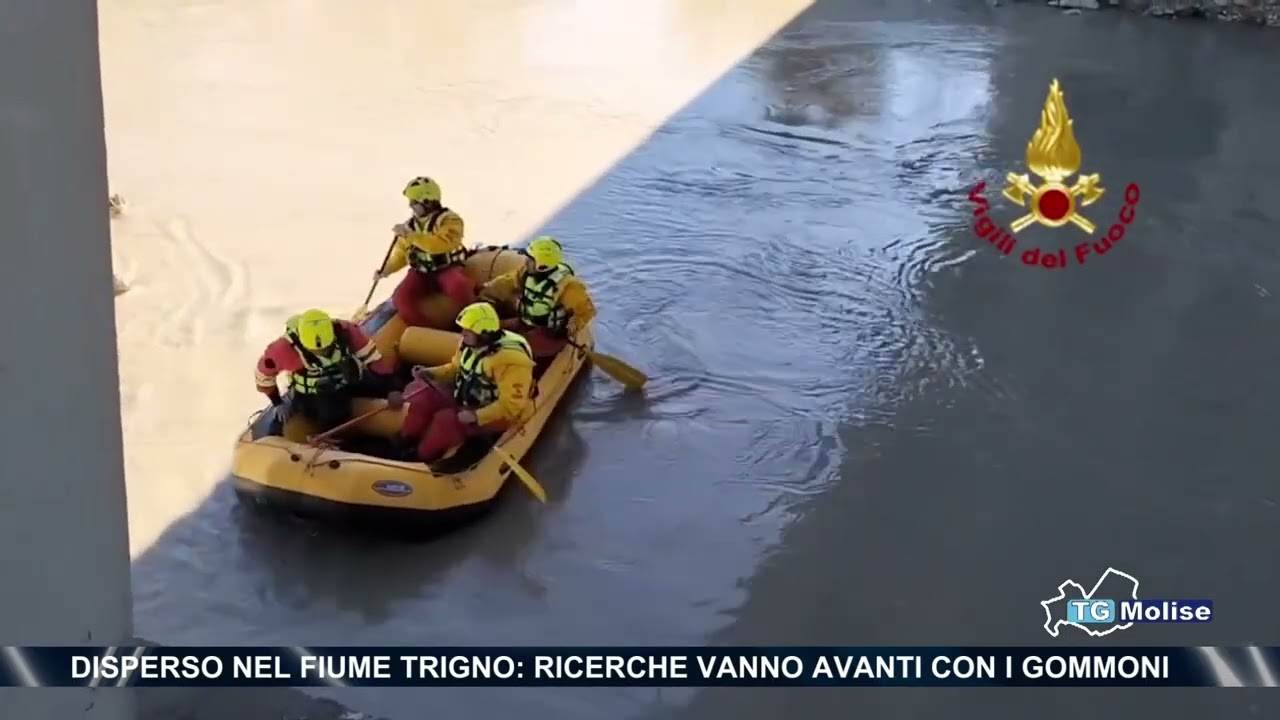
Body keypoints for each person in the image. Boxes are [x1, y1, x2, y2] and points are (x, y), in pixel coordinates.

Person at [386, 302, 534, 464]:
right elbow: (455, 368)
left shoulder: (511, 361)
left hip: (494, 413)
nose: (462, 334)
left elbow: (511, 406)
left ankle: (419, 458)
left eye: (467, 331)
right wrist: (431, 373)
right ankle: (406, 440)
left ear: (483, 334)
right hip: (466, 398)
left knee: (446, 421)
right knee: (424, 397)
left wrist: (476, 416)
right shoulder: (468, 345)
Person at [254, 309, 396, 431]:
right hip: (315, 394)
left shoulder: (347, 332)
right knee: (333, 411)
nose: (322, 352)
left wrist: (390, 389)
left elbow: (373, 359)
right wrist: (277, 402)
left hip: (348, 378)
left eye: (326, 348)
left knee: (377, 385)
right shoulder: (282, 351)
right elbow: (263, 377)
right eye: (316, 350)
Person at [373, 176, 475, 328]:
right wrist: (386, 270)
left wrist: (411, 236)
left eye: (414, 202)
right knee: (401, 298)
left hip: (447, 268)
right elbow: (401, 255)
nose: (411, 206)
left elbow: (438, 245)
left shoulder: (450, 220)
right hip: (421, 272)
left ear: (427, 202)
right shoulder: (410, 226)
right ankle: (426, 330)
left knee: (458, 286)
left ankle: (472, 320)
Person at [478, 235, 596, 363]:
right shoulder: (526, 273)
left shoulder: (569, 287)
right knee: (494, 328)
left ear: (542, 265)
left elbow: (587, 311)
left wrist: (571, 327)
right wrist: (486, 287)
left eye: (530, 260)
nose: (526, 262)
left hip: (548, 334)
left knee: (513, 346)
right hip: (527, 321)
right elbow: (507, 282)